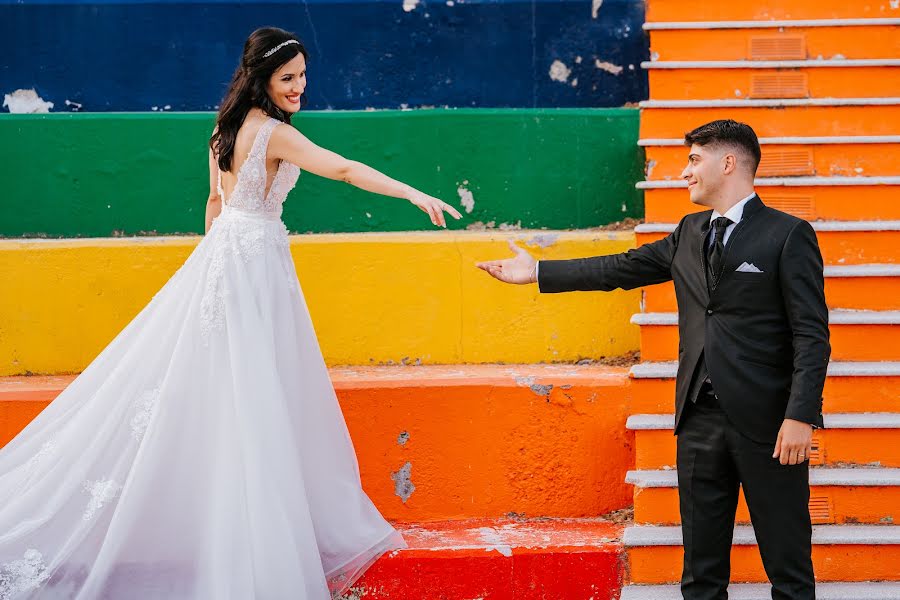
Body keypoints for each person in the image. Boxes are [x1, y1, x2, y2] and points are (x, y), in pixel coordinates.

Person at [0, 26, 461, 599]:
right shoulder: (273, 134)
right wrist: (412, 193)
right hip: (253, 263)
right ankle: (247, 541)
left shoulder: (222, 129)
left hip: (228, 259)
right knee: (250, 392)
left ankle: (233, 523)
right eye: (288, 78)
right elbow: (341, 168)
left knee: (224, 387)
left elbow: (215, 205)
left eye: (303, 77)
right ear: (263, 79)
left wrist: (211, 271)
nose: (299, 88)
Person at [476, 119, 829, 600]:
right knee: (701, 572)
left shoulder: (788, 234)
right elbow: (621, 267)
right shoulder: (689, 230)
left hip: (769, 423)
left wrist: (799, 416)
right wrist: (537, 271)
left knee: (788, 568)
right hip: (699, 418)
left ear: (727, 163)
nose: (685, 172)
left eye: (693, 159)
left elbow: (811, 334)